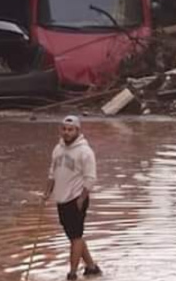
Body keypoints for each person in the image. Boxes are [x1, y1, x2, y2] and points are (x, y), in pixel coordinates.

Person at [44, 116, 101, 280]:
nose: (67, 132)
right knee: (74, 236)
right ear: (60, 130)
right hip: (61, 199)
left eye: (71, 129)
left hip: (77, 199)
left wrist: (81, 199)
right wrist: (47, 192)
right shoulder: (57, 149)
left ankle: (72, 274)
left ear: (78, 131)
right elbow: (51, 173)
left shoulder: (85, 152)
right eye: (64, 129)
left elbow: (91, 178)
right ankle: (92, 268)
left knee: (75, 237)